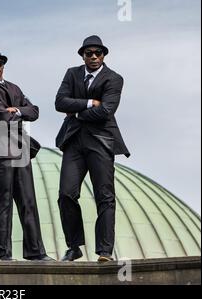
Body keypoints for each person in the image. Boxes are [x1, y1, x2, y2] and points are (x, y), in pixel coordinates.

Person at [55, 35, 130, 262]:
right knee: (66, 194)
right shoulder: (72, 73)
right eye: (89, 53)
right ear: (83, 56)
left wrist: (76, 112)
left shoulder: (114, 78)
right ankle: (74, 246)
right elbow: (60, 103)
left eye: (98, 53)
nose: (94, 57)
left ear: (104, 55)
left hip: (101, 141)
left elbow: (106, 111)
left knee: (104, 196)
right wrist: (89, 103)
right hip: (74, 141)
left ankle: (104, 250)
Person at [0, 47, 52, 261]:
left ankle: (36, 252)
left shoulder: (14, 87)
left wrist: (16, 110)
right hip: (0, 151)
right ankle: (2, 254)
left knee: (28, 201)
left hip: (20, 149)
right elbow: (2, 117)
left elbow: (34, 111)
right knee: (4, 203)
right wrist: (16, 111)